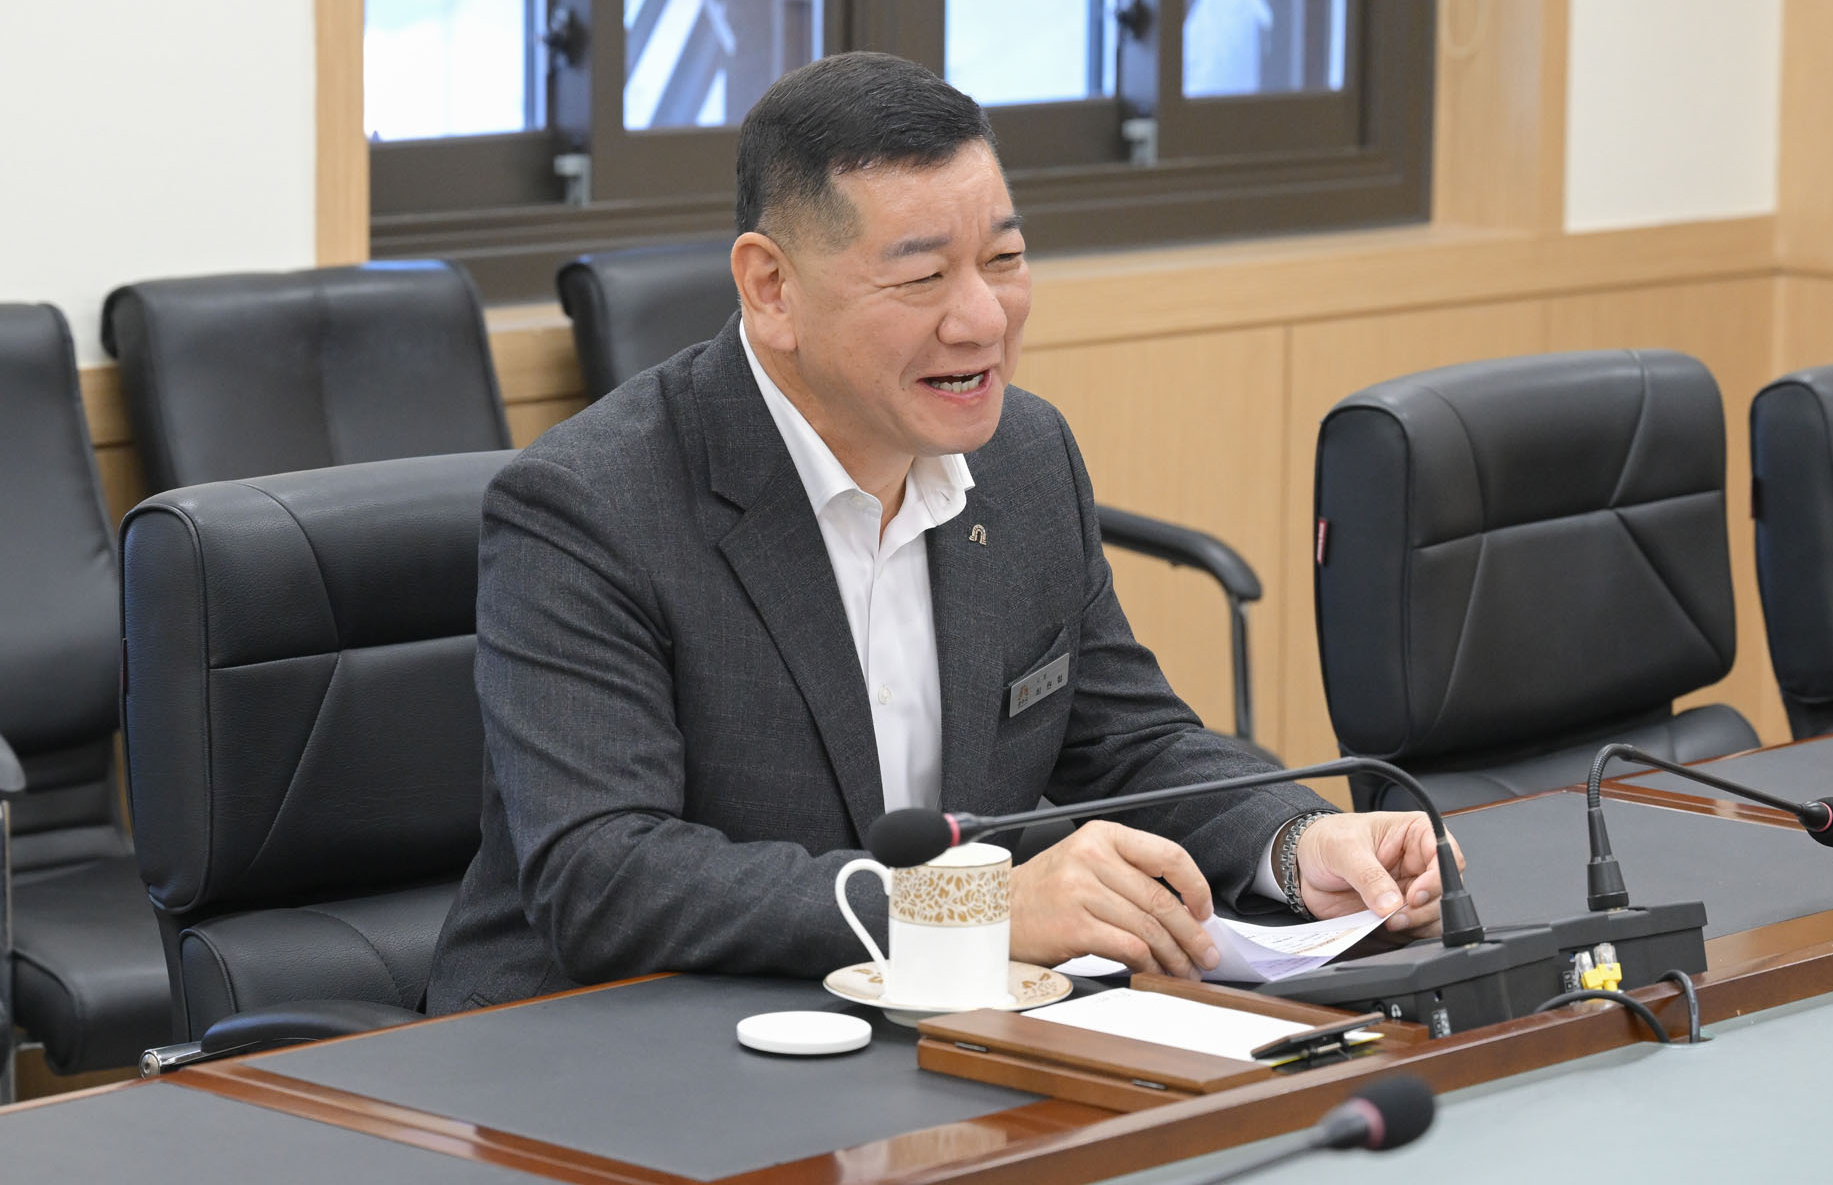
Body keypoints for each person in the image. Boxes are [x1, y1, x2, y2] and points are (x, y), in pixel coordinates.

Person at [427, 52, 1460, 1014]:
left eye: (1003, 259)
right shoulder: (588, 505)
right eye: (922, 278)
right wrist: (978, 905)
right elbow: (606, 876)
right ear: (772, 288)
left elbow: (1129, 741)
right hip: (605, 1049)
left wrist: (1298, 843)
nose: (983, 320)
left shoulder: (1024, 456)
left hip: (924, 1025)